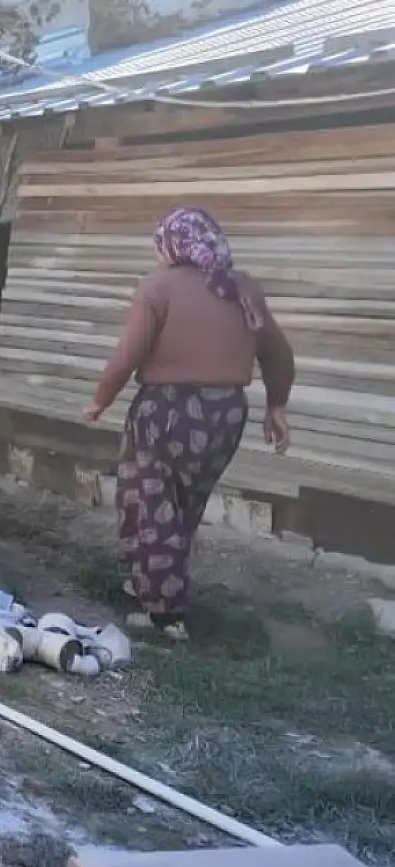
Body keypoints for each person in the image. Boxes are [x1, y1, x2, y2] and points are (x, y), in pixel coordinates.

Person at [83, 206, 295, 641]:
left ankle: (163, 616)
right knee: (183, 506)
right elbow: (279, 354)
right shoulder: (243, 288)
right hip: (225, 416)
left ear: (173, 245)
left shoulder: (159, 287)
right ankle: (154, 582)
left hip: (167, 413)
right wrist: (277, 407)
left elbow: (129, 353)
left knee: (150, 506)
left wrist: (100, 400)